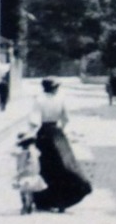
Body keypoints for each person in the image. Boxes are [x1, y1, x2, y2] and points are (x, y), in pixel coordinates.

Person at [26, 78, 91, 212]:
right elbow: (66, 119)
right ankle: (63, 200)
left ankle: (45, 200)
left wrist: (31, 134)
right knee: (64, 166)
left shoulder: (39, 100)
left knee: (46, 168)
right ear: (54, 88)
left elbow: (34, 120)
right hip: (57, 133)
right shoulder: (60, 99)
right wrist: (60, 129)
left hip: (44, 135)